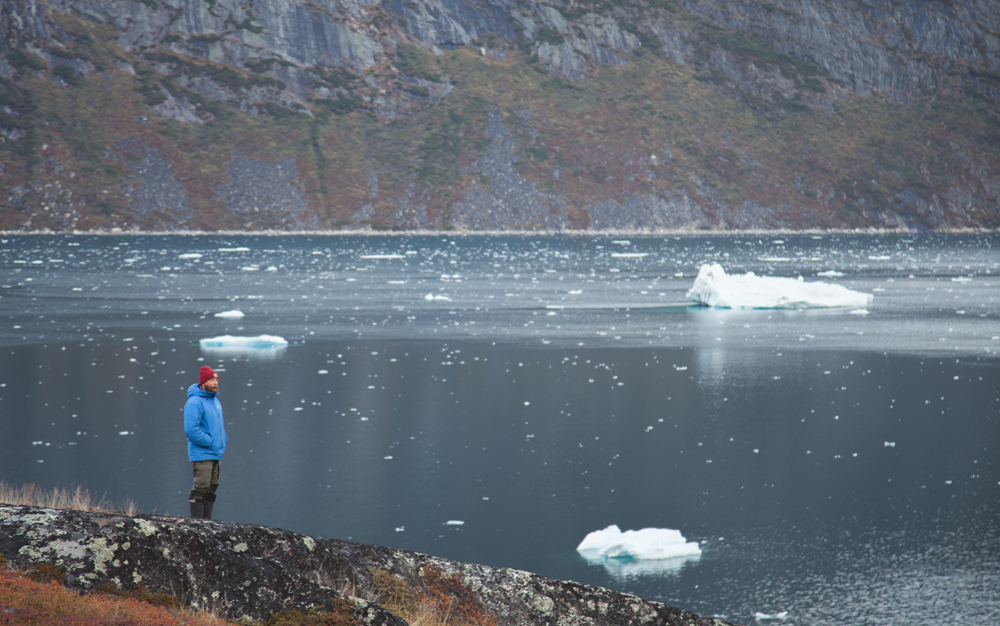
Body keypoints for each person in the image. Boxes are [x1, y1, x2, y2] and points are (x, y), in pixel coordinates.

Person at [184, 365, 227, 519]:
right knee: (200, 487)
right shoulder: (195, 402)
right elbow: (191, 429)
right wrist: (209, 442)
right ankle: (197, 524)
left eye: (216, 379)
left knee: (212, 486)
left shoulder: (215, 401)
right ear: (203, 383)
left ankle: (207, 523)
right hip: (202, 452)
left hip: (216, 451)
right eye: (211, 380)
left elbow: (219, 426)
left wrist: (222, 442)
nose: (215, 383)